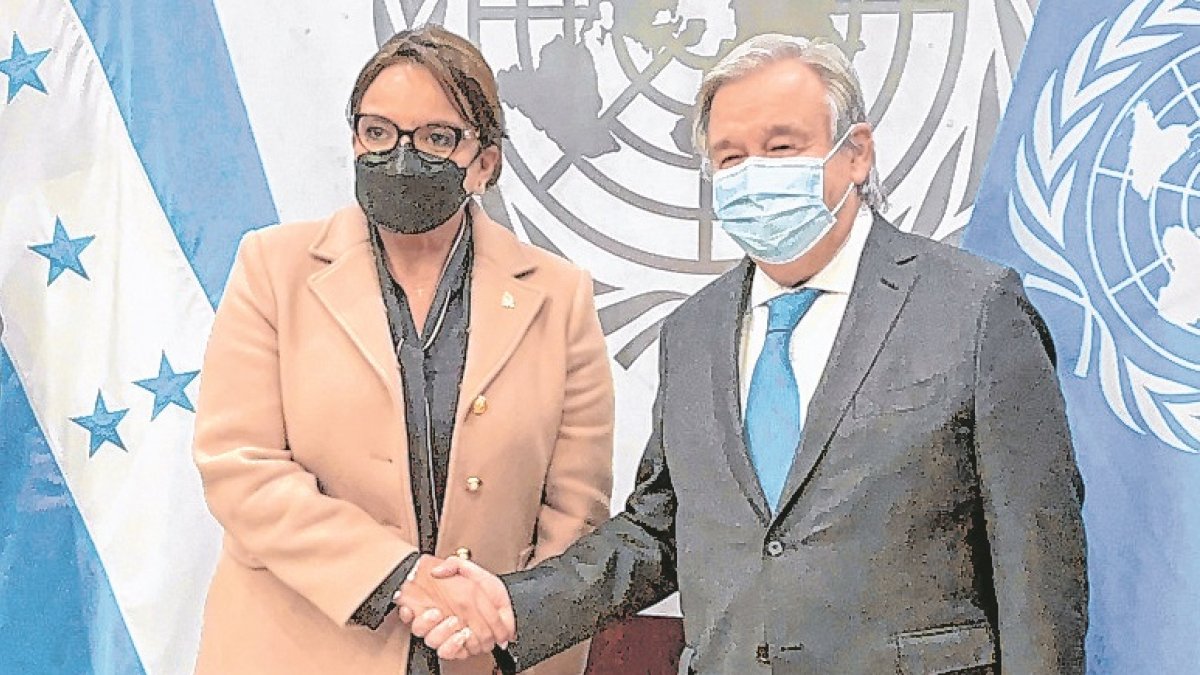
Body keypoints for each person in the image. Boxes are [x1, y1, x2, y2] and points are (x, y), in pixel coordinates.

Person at [398, 34, 1088, 674]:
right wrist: (516, 602)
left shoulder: (974, 308)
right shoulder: (692, 334)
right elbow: (659, 533)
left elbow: (1039, 562)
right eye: (731, 156)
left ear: (857, 153)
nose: (754, 173)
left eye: (782, 147)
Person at [191, 25, 613, 675]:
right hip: (291, 651)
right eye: (378, 132)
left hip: (481, 660)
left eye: (437, 138)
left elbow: (574, 513)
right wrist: (398, 575)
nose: (402, 157)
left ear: (485, 161)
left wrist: (518, 640)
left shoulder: (560, 296)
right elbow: (239, 465)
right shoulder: (272, 268)